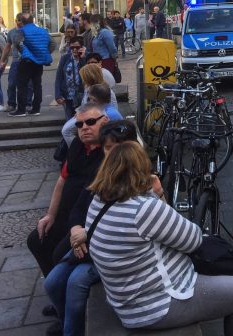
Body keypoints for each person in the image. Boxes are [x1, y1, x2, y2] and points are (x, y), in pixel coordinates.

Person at [87, 141, 233, 335]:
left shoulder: (97, 201)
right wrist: (157, 194)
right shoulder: (144, 208)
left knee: (228, 263)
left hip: (127, 297)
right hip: (157, 304)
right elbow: (193, 240)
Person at [43, 120, 139, 336]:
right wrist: (76, 229)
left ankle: (72, 331)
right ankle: (65, 321)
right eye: (108, 148)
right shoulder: (100, 173)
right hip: (85, 244)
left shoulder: (139, 176)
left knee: (76, 283)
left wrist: (84, 236)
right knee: (52, 282)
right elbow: (79, 207)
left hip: (109, 251)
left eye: (118, 148)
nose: (113, 154)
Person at [27, 105, 109, 277]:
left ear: (105, 121)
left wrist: (79, 229)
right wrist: (50, 215)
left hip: (87, 221)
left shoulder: (109, 151)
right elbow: (62, 181)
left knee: (59, 254)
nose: (84, 127)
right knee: (36, 241)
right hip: (67, 214)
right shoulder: (77, 146)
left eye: (91, 122)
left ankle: (60, 290)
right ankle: (55, 289)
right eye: (79, 125)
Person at [9, 13, 54, 117]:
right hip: (39, 62)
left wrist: (25, 53)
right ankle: (36, 109)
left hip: (26, 61)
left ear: (22, 21)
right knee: (37, 85)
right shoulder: (43, 31)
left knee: (22, 85)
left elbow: (16, 42)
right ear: (33, 20)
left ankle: (21, 110)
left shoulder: (22, 31)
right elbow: (52, 44)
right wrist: (44, 53)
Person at [0, 13, 33, 113]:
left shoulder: (29, 31)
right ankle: (11, 104)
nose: (19, 23)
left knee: (29, 84)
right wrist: (2, 60)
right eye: (18, 20)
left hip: (28, 60)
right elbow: (7, 47)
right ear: (16, 21)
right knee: (12, 83)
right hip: (16, 61)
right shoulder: (12, 32)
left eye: (21, 21)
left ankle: (28, 104)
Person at [54, 37, 85, 120]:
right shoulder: (65, 58)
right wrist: (58, 95)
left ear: (82, 47)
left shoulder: (85, 59)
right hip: (68, 96)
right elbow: (59, 77)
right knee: (69, 121)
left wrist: (83, 57)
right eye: (72, 47)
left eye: (77, 47)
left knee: (81, 120)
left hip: (82, 96)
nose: (74, 49)